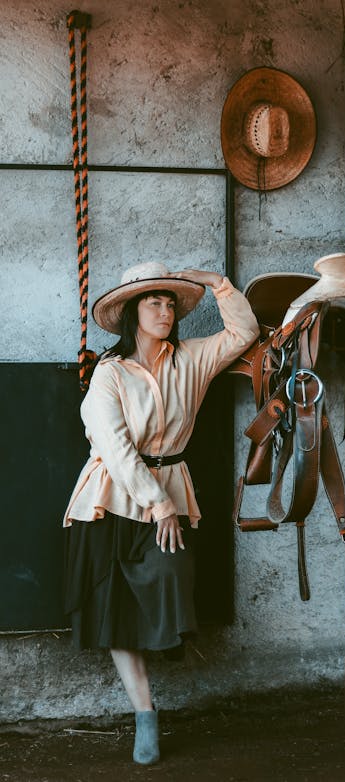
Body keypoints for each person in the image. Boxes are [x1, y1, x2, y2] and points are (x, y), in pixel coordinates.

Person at [63, 261, 259, 765]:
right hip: (109, 500)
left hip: (168, 491)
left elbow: (244, 332)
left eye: (170, 302)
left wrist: (217, 284)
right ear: (132, 312)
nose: (165, 310)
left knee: (171, 576)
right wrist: (159, 503)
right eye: (154, 301)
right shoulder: (108, 373)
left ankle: (154, 690)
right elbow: (113, 443)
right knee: (114, 615)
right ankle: (144, 713)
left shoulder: (191, 359)